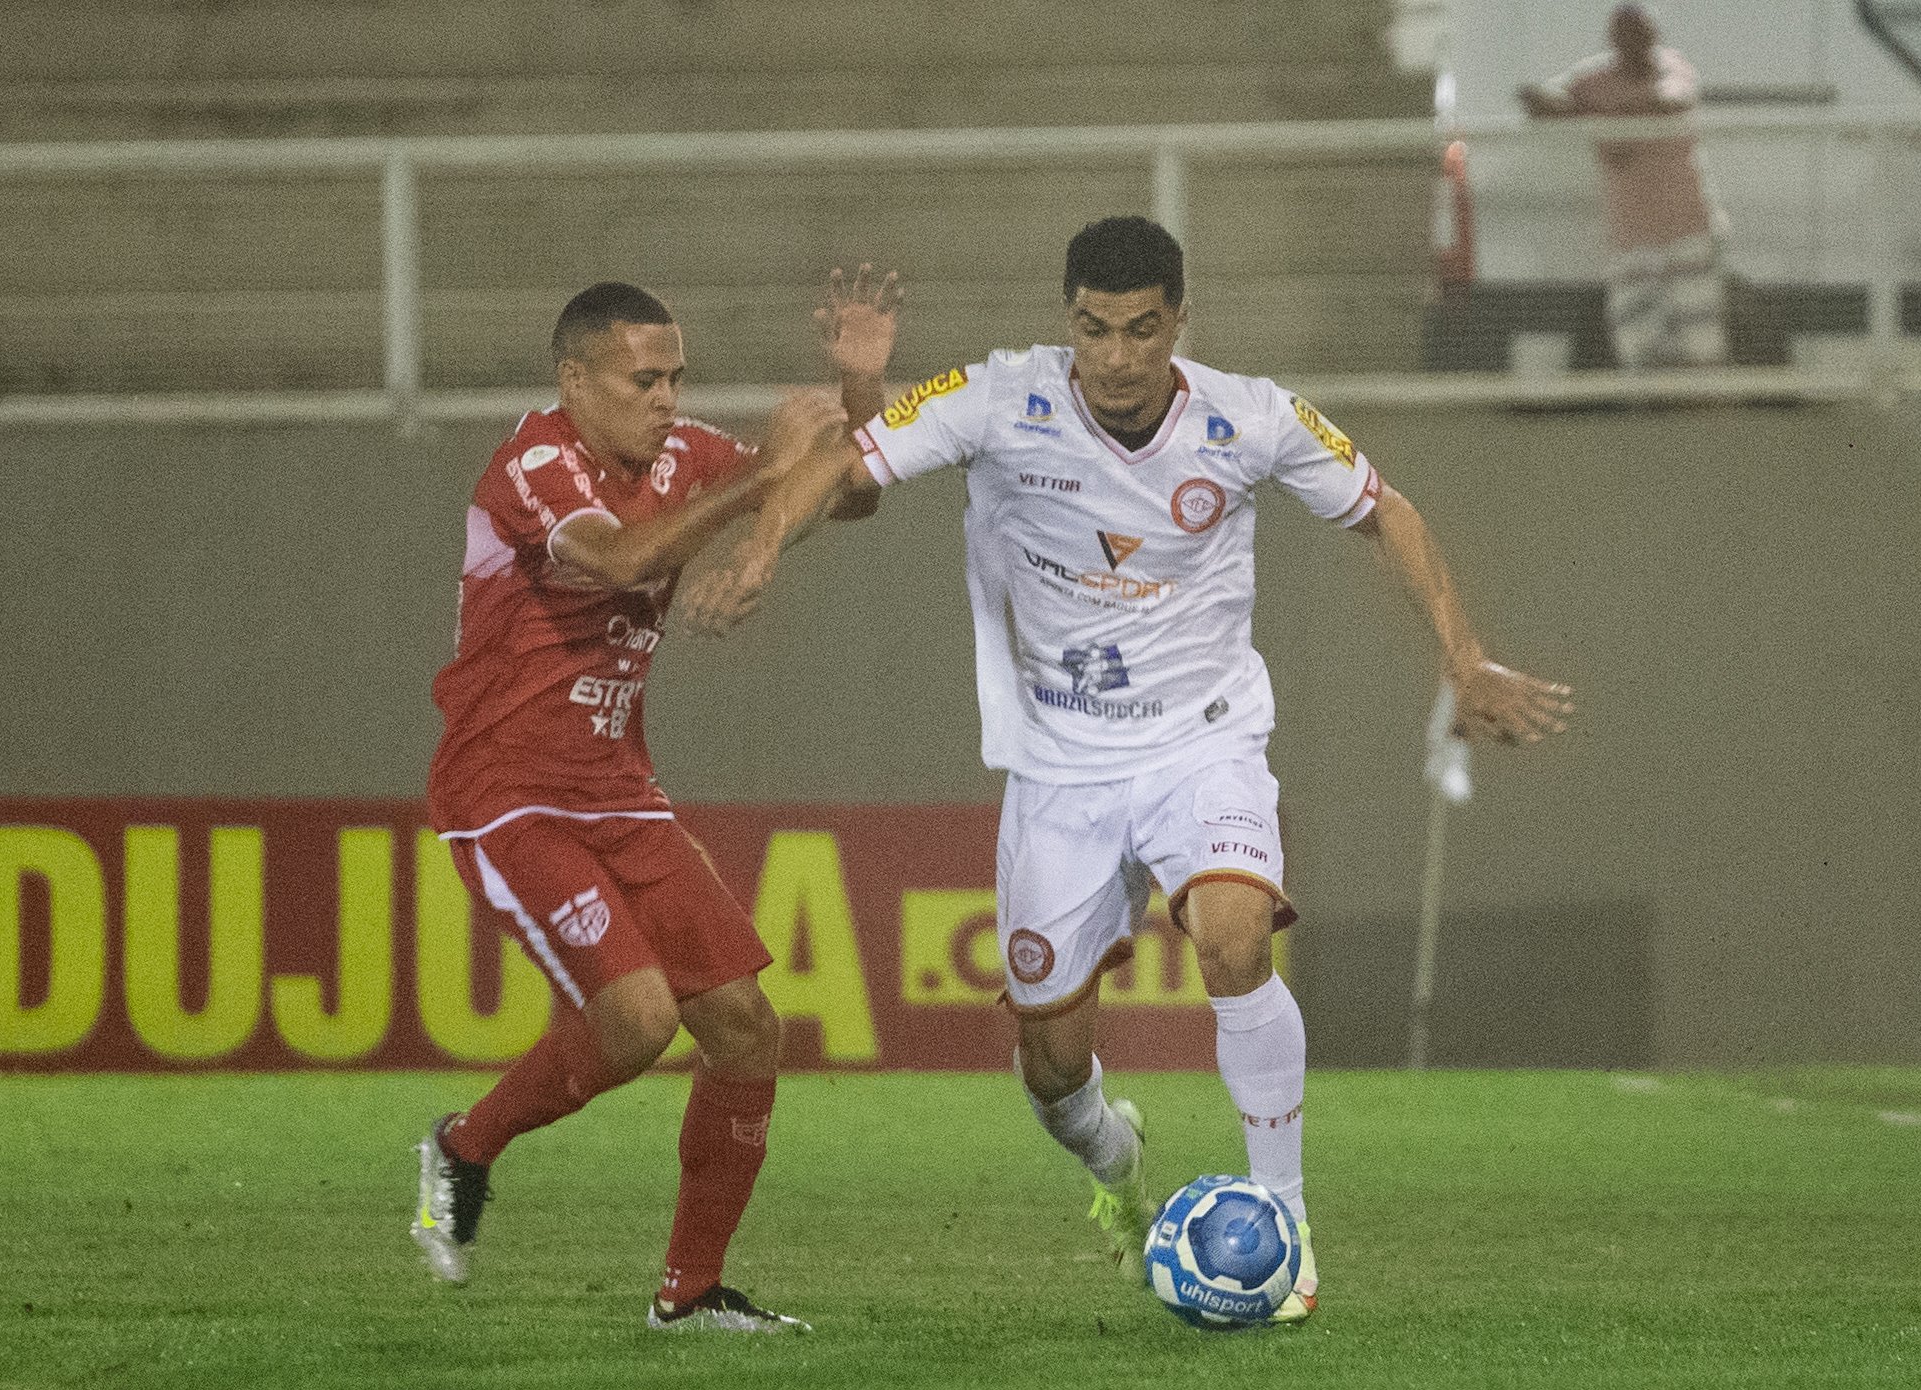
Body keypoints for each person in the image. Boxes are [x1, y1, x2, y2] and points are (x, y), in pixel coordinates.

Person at [729, 219, 1574, 1324]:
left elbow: (1388, 512)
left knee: (1231, 937)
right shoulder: (999, 397)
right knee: (1050, 1059)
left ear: (1181, 319)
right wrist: (758, 551)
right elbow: (846, 466)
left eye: (1141, 330)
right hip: (1058, 769)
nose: (1117, 358)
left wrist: (1464, 658)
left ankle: (1286, 1223)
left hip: (1202, 742)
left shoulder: (1249, 416)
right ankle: (1118, 1171)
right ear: (1065, 319)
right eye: (1093, 329)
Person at [410, 275, 893, 1332]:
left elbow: (850, 491)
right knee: (634, 1022)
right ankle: (464, 1146)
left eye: (677, 377)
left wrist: (857, 400)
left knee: (747, 1029)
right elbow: (628, 556)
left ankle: (691, 1293)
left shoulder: (678, 457)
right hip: (510, 795)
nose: (668, 398)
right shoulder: (532, 466)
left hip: (620, 792)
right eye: (644, 378)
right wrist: (767, 469)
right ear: (574, 377)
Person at [1520, 4, 1729, 369]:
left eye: (1642, 34)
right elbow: (1536, 100)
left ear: (1654, 36)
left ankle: (1706, 413)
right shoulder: (1593, 81)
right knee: (1638, 338)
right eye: (1626, 35)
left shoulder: (1672, 66)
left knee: (1701, 338)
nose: (1636, 43)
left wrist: (1606, 114)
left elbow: (1670, 101)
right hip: (1631, 232)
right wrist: (1579, 109)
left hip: (1687, 225)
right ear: (1613, 40)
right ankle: (1654, 410)